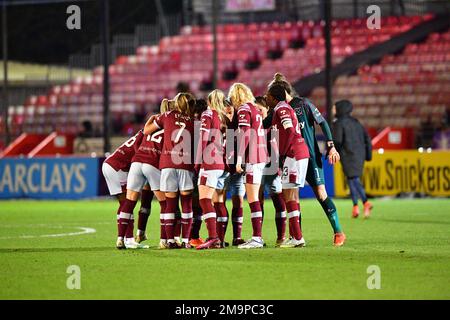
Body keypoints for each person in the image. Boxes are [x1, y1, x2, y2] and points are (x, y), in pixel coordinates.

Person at [268, 73, 346, 246]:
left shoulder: (303, 104)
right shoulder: (277, 109)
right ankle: (297, 236)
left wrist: (331, 145)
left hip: (309, 156)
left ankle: (338, 231)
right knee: (292, 194)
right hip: (291, 157)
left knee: (320, 193)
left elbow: (323, 122)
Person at [118, 99, 172, 250]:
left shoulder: (149, 126)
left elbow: (137, 142)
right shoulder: (170, 127)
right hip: (151, 164)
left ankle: (120, 239)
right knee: (165, 203)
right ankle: (164, 240)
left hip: (137, 162)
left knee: (129, 202)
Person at [144, 93, 196, 248]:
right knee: (186, 203)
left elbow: (147, 131)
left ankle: (169, 240)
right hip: (185, 163)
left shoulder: (167, 115)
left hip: (167, 163)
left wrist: (152, 118)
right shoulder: (193, 121)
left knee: (170, 204)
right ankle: (186, 241)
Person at [265, 84, 309, 248]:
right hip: (298, 153)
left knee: (288, 194)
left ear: (274, 97)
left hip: (293, 153)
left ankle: (297, 237)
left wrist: (284, 153)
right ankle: (296, 236)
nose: (266, 98)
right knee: (292, 195)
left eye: (268, 95)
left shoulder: (281, 108)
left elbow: (290, 131)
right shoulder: (281, 109)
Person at [228, 83, 268, 249]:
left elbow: (245, 135)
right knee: (255, 198)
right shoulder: (254, 109)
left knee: (252, 199)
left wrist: (238, 160)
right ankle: (257, 237)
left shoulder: (244, 109)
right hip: (260, 155)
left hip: (252, 157)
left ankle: (256, 238)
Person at [102, 130, 154, 249]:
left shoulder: (143, 133)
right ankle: (128, 239)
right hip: (116, 168)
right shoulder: (146, 136)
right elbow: (136, 150)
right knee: (127, 203)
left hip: (111, 165)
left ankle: (125, 238)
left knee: (125, 203)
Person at [195, 90, 228, 250]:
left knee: (205, 200)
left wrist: (197, 161)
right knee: (212, 200)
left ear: (209, 100)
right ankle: (215, 238)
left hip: (209, 162)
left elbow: (203, 139)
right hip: (219, 161)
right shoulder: (221, 116)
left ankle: (213, 237)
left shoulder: (207, 114)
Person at [255, 96, 287, 246]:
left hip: (272, 166)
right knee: (258, 200)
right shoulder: (254, 126)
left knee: (278, 201)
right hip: (258, 166)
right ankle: (258, 236)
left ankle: (281, 237)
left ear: (267, 109)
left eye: (260, 110)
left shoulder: (273, 124)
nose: (258, 113)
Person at [332, 99, 373, 219]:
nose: (333, 110)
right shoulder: (356, 122)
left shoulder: (339, 123)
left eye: (334, 107)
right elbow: (367, 139)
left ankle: (365, 202)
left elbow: (338, 141)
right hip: (359, 154)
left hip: (348, 155)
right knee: (351, 179)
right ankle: (355, 207)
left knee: (353, 179)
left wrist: (334, 151)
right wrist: (368, 155)